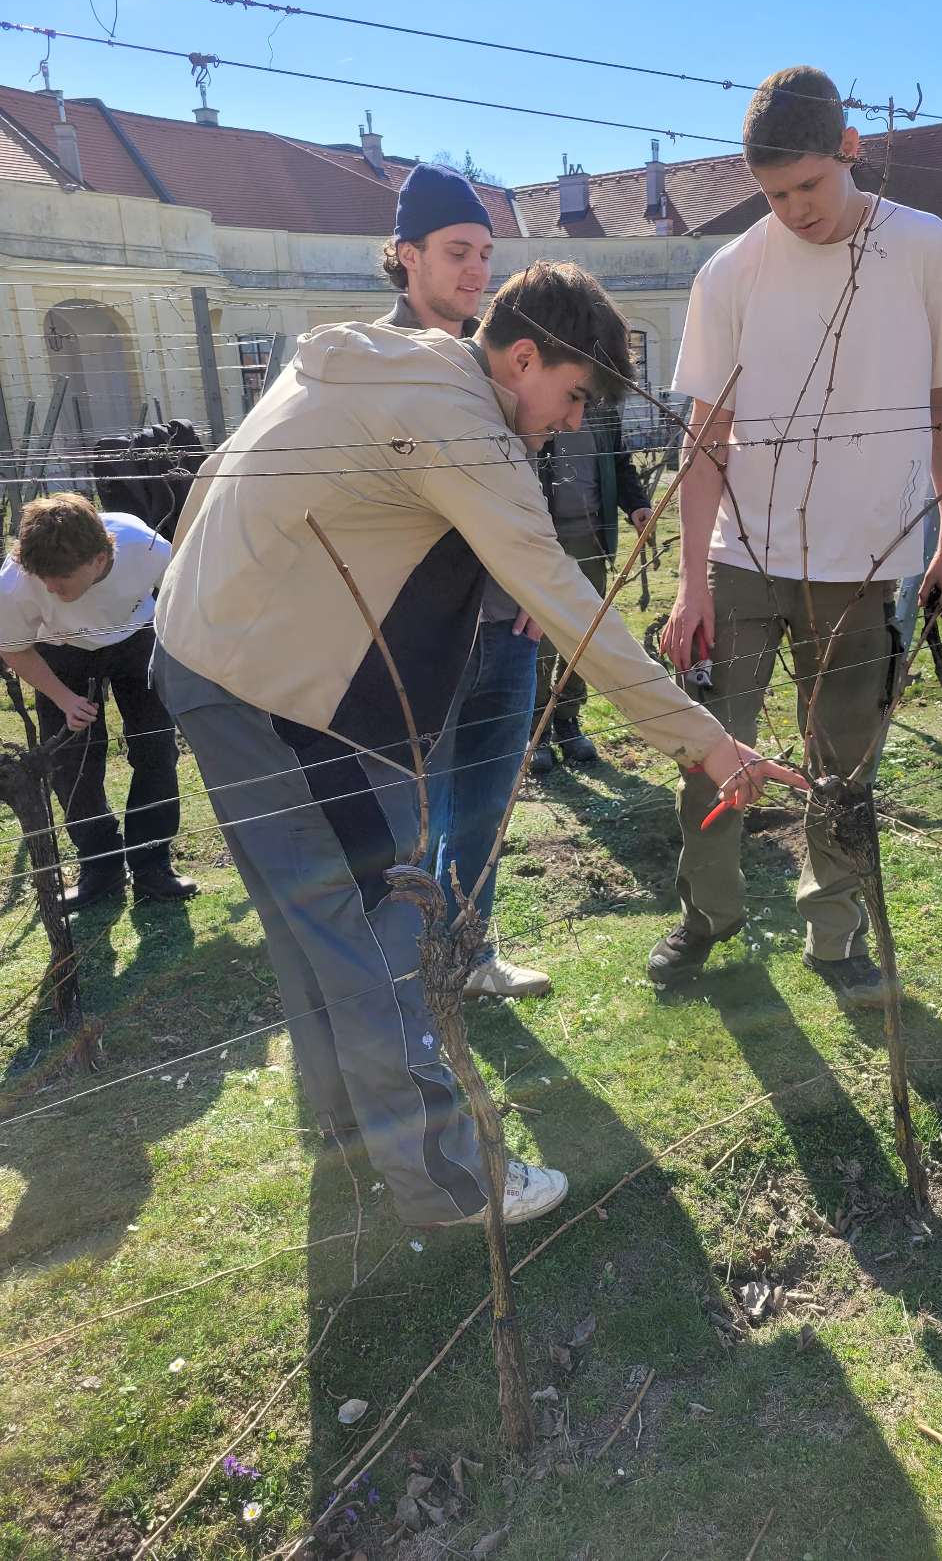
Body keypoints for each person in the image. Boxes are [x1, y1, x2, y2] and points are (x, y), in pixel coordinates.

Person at [152, 261, 802, 1229]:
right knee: (376, 919)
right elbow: (569, 602)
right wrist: (704, 741)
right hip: (273, 690)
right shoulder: (462, 424)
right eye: (573, 396)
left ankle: (352, 1131)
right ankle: (449, 1180)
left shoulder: (389, 362)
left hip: (206, 654)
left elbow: (216, 475)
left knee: (308, 923)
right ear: (524, 358)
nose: (574, 423)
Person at [649, 64, 942, 1001]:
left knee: (843, 768)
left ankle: (834, 936)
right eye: (775, 194)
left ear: (850, 147)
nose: (796, 211)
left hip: (868, 563)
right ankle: (708, 915)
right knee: (713, 751)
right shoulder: (729, 273)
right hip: (743, 558)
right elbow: (706, 438)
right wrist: (691, 582)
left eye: (809, 185)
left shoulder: (921, 245)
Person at [376, 162, 550, 1000]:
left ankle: (471, 954)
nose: (477, 271)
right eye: (457, 252)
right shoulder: (372, 362)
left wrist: (537, 588)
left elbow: (523, 490)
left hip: (508, 626)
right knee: (419, 814)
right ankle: (410, 971)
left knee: (484, 807)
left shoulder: (499, 366)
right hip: (419, 636)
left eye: (485, 253)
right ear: (406, 254)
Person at [0, 492, 196, 910]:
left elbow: (185, 589)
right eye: (42, 578)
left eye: (61, 578)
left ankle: (152, 865)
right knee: (71, 766)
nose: (50, 587)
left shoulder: (144, 546)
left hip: (137, 637)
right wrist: (64, 699)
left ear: (100, 558)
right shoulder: (15, 580)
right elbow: (14, 648)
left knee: (156, 749)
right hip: (60, 651)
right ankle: (100, 868)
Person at [530, 406, 652, 773]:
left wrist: (637, 504)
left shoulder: (601, 409)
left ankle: (568, 719)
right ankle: (535, 731)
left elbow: (619, 463)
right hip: (542, 539)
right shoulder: (540, 400)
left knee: (585, 633)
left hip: (591, 540)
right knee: (541, 637)